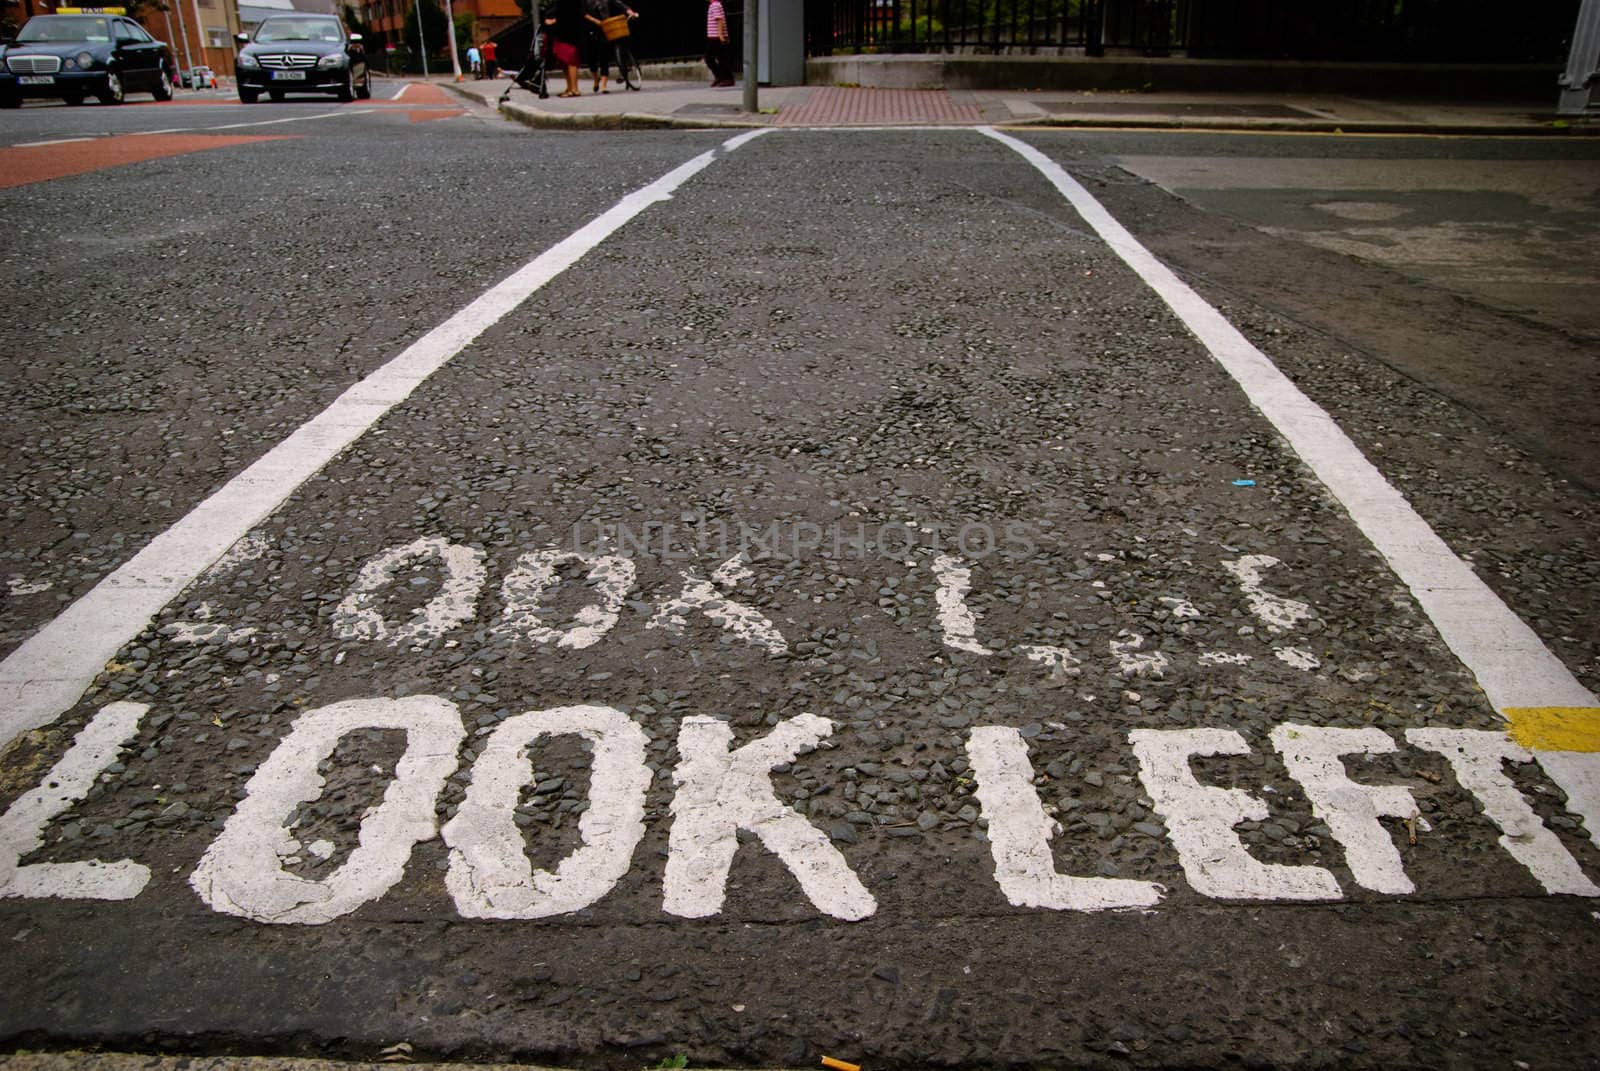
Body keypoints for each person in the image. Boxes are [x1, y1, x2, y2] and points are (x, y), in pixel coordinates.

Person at [546, 0, 585, 96]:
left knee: (571, 61)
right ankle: (569, 87)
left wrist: (554, 21)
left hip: (569, 33)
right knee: (564, 62)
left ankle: (574, 89)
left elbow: (570, 13)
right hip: (562, 33)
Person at [583, 0, 611, 94]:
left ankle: (604, 84)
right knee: (591, 58)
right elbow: (582, 12)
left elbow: (618, 4)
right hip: (589, 29)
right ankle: (596, 78)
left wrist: (629, 11)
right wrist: (595, 21)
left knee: (604, 56)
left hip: (604, 29)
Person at [704, 0, 732, 87]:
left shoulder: (715, 5)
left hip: (716, 37)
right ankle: (721, 77)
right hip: (714, 37)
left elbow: (719, 20)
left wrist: (720, 35)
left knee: (711, 58)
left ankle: (726, 78)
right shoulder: (714, 4)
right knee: (720, 58)